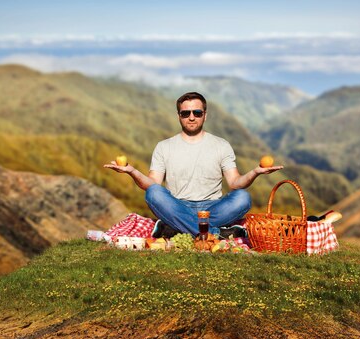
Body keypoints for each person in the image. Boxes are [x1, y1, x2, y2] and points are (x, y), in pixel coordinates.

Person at [104, 91, 283, 238]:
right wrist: (132, 171)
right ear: (179, 116)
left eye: (197, 113)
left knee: (243, 198)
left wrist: (255, 172)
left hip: (213, 208)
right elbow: (153, 184)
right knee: (153, 193)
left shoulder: (221, 145)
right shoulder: (164, 147)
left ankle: (179, 228)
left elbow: (235, 183)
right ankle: (214, 233)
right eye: (185, 113)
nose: (191, 117)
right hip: (178, 206)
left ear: (205, 116)